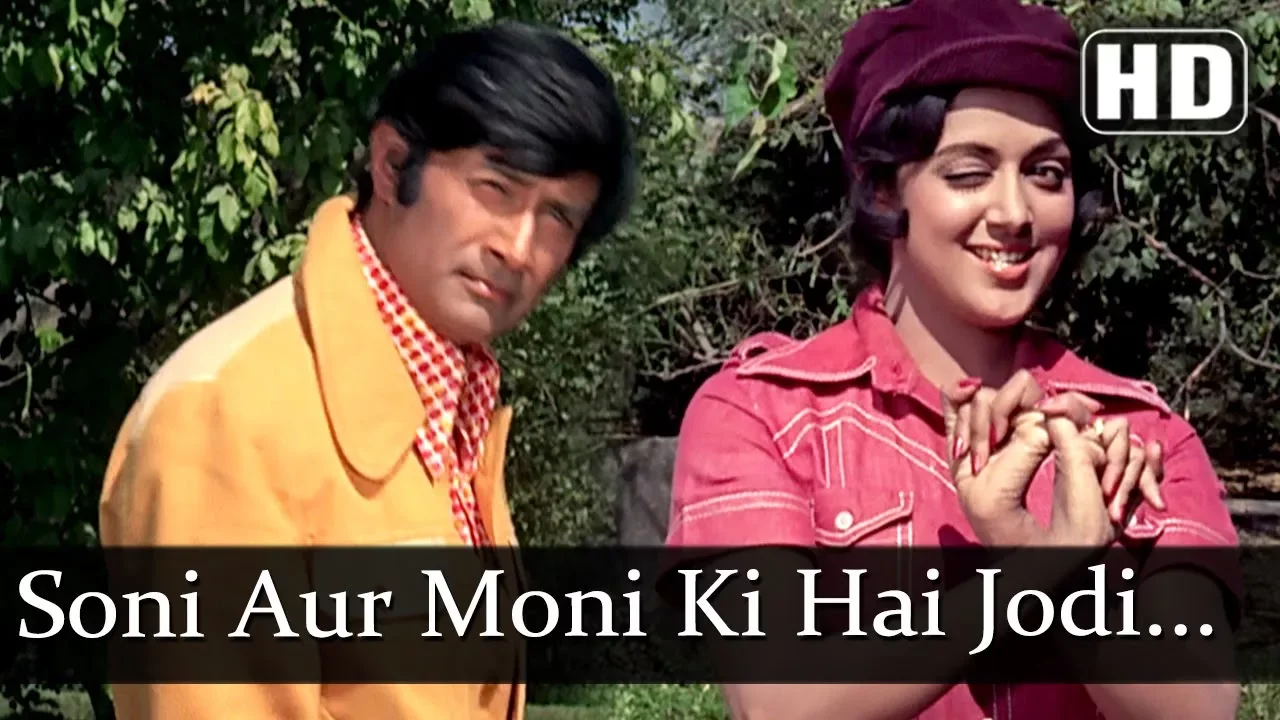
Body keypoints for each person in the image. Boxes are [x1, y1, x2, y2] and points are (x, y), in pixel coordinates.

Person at [665, 0, 1241, 718]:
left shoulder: (1146, 437)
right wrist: (1036, 573)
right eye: (969, 173)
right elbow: (781, 699)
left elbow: (1199, 708)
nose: (1015, 213)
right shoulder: (762, 414)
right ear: (883, 188)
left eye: (1047, 173)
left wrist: (1070, 564)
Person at [99, 20, 633, 719]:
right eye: (495, 187)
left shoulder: (456, 409)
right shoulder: (226, 414)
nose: (519, 246)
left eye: (558, 216)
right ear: (391, 165)